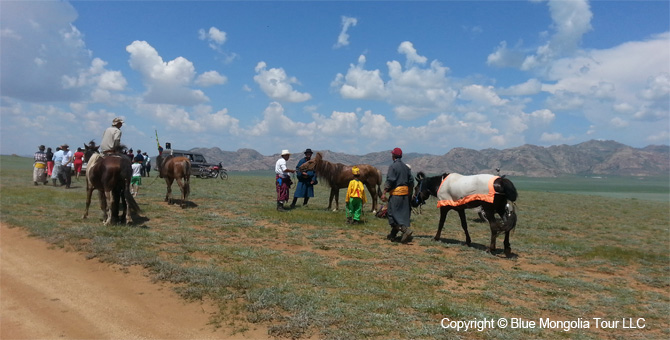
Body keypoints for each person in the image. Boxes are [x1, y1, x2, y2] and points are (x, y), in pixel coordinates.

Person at [380, 147, 414, 243]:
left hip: (396, 195)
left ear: (394, 156)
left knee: (392, 215)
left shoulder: (393, 166)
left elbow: (390, 180)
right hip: (405, 196)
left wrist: (384, 192)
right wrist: (408, 193)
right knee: (400, 215)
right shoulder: (406, 167)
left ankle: (405, 230)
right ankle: (393, 235)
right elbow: (411, 182)